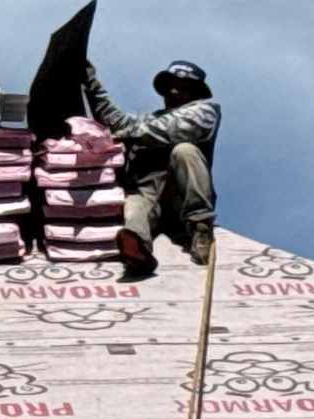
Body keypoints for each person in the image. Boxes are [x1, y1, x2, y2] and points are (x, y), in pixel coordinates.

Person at [82, 59, 220, 275]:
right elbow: (116, 122)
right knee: (135, 205)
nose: (174, 91)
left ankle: (201, 229)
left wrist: (126, 131)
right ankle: (137, 246)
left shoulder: (205, 111)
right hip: (149, 194)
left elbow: (163, 131)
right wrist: (91, 84)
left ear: (196, 91)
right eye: (170, 86)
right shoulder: (149, 119)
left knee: (184, 151)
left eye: (183, 86)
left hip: (181, 198)